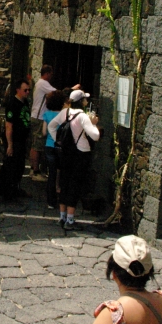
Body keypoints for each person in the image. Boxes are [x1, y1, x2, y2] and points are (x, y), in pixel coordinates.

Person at [47, 89, 101, 229]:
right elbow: (95, 136)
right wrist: (93, 123)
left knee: (64, 183)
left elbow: (51, 126)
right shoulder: (82, 116)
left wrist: (58, 141)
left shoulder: (65, 113)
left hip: (66, 152)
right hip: (80, 153)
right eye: (85, 99)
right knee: (75, 185)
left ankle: (62, 217)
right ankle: (70, 220)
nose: (86, 101)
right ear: (82, 101)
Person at [30, 67, 80, 180]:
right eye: (51, 74)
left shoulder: (39, 83)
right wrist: (71, 90)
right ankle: (35, 172)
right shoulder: (43, 83)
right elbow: (57, 94)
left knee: (34, 144)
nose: (52, 77)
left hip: (36, 115)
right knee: (37, 145)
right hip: (39, 117)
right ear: (47, 74)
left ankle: (33, 168)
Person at [0, 79, 31, 201]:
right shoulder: (12, 104)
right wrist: (10, 145)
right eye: (25, 90)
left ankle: (15, 187)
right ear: (18, 90)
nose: (27, 92)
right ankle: (5, 190)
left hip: (22, 138)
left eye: (29, 90)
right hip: (14, 139)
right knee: (11, 165)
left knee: (19, 165)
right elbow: (9, 126)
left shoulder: (25, 102)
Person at [42, 90, 67, 208]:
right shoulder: (64, 115)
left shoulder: (47, 114)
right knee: (62, 172)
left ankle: (50, 201)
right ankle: (63, 198)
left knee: (51, 174)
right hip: (61, 146)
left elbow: (43, 132)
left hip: (49, 145)